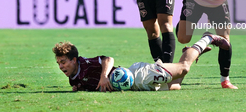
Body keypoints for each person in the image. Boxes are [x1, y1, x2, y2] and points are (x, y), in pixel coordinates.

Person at [53, 33, 230, 92]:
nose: (61, 67)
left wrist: (104, 76)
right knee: (175, 86)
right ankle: (189, 52)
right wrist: (79, 88)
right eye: (59, 64)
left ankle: (207, 38)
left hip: (139, 76)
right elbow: (84, 84)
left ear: (74, 60)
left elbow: (108, 59)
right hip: (137, 85)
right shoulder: (73, 78)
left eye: (63, 62)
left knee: (184, 68)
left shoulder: (85, 63)